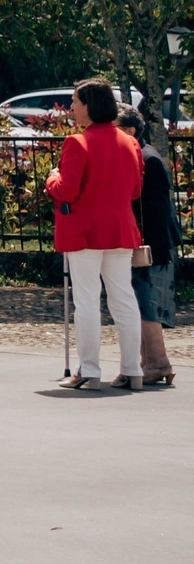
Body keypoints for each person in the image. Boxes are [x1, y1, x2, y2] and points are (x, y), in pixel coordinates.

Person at [45, 80, 143, 389]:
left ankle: (88, 369)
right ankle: (132, 368)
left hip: (85, 231)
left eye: (75, 102)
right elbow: (136, 190)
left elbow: (67, 191)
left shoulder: (77, 142)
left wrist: (52, 180)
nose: (72, 108)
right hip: (120, 228)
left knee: (87, 300)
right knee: (124, 299)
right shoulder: (131, 142)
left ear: (89, 105)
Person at [116, 107, 177, 388]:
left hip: (150, 245)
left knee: (146, 304)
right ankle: (151, 361)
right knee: (141, 302)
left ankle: (157, 361)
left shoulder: (147, 159)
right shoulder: (142, 154)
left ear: (130, 131)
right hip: (149, 241)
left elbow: (154, 211)